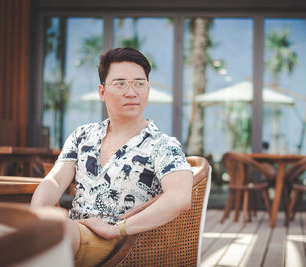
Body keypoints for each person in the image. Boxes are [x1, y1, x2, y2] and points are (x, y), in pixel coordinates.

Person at [31, 47, 194, 267]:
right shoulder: (83, 135)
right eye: (120, 83)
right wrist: (36, 214)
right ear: (102, 92)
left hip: (121, 243)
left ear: (147, 89)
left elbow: (180, 198)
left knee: (49, 235)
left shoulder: (162, 144)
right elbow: (54, 181)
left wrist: (116, 229)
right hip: (75, 230)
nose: (131, 92)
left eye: (139, 83)